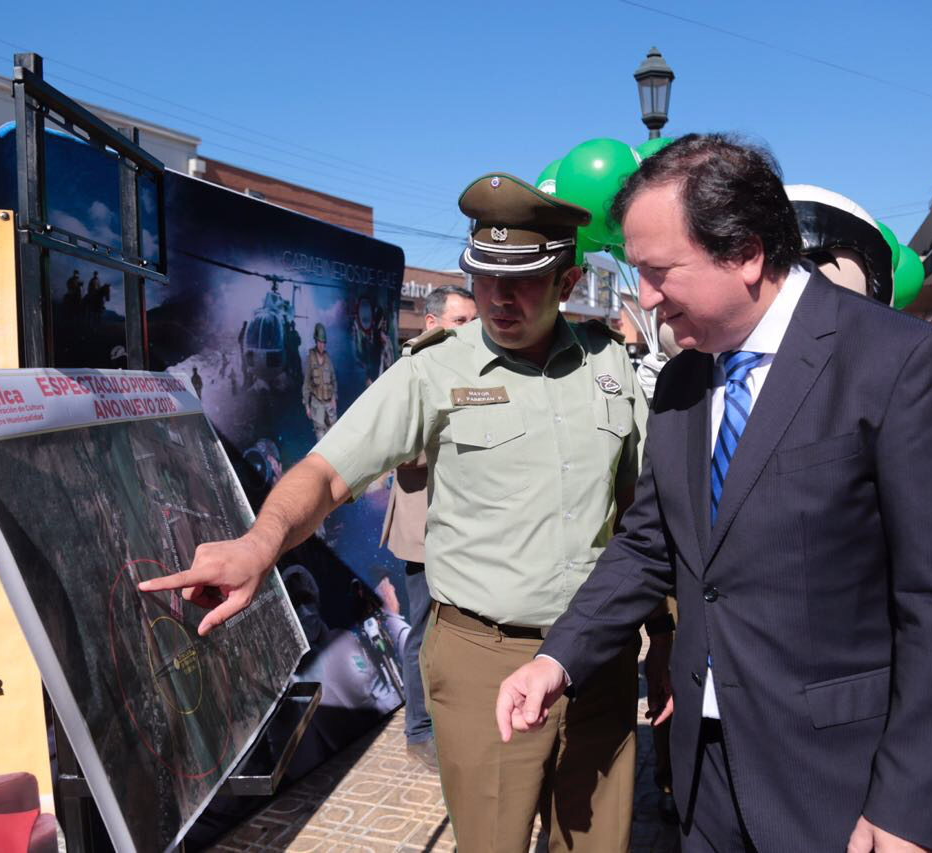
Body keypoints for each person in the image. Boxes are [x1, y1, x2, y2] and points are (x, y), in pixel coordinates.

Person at [495, 133, 932, 853]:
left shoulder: (904, 366)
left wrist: (909, 806)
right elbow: (649, 544)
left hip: (843, 789)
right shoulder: (682, 381)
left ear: (746, 254)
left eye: (658, 270)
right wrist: (557, 658)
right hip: (708, 779)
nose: (644, 297)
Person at [141, 172, 650, 852]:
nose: (497, 296)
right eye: (483, 275)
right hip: (485, 660)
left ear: (567, 279)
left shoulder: (609, 366)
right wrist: (261, 544)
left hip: (599, 659)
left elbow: (648, 514)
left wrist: (668, 639)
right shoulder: (433, 372)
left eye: (522, 278)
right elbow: (324, 472)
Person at [379, 283, 476, 772]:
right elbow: (399, 449)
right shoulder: (412, 371)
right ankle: (420, 729)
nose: (471, 331)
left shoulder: (470, 367)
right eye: (461, 322)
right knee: (423, 628)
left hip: (461, 527)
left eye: (472, 322)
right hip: (422, 526)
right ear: (433, 324)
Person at [302, 323, 337, 441]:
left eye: (323, 342)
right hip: (317, 403)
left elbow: (333, 380)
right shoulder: (310, 359)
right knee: (320, 437)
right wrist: (307, 406)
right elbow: (306, 383)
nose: (322, 345)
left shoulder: (328, 359)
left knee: (334, 433)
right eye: (320, 342)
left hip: (329, 403)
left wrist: (334, 398)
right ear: (316, 341)